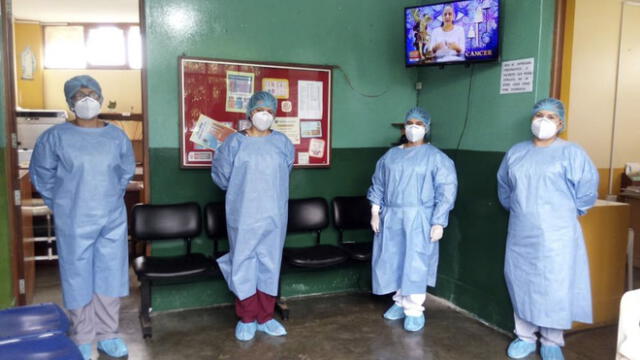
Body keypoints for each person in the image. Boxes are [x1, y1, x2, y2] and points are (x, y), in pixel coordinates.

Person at [29, 75, 135, 360]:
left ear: (100, 97)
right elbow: (42, 175)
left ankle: (108, 334)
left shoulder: (116, 136)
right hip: (73, 217)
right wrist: (62, 203)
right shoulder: (55, 137)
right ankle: (83, 336)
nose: (86, 99)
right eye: (79, 95)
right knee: (77, 276)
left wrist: (109, 197)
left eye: (91, 93)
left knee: (110, 274)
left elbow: (125, 172)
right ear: (70, 102)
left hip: (111, 217)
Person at [497, 98, 599, 360]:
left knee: (555, 286)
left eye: (550, 117)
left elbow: (586, 194)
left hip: (558, 234)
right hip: (521, 231)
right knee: (521, 283)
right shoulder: (516, 153)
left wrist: (559, 215)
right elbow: (505, 189)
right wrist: (524, 211)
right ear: (531, 119)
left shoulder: (572, 153)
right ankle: (525, 337)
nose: (543, 120)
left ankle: (552, 340)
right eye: (539, 115)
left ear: (560, 123)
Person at [211, 91, 294, 341]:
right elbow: (222, 177)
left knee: (270, 263)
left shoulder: (283, 144)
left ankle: (266, 317)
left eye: (269, 110)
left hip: (274, 214)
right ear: (249, 112)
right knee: (243, 262)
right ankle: (247, 317)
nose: (264, 115)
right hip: (243, 214)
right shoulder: (234, 143)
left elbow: (285, 172)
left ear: (275, 114)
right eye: (259, 110)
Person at [367, 107, 457, 332]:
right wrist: (375, 211)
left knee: (415, 262)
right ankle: (399, 301)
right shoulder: (391, 156)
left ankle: (414, 309)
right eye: (409, 123)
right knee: (393, 259)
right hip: (392, 215)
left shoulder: (436, 158)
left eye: (418, 123)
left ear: (426, 128)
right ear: (404, 126)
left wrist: (438, 221)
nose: (413, 127)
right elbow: (379, 183)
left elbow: (446, 191)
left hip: (420, 217)